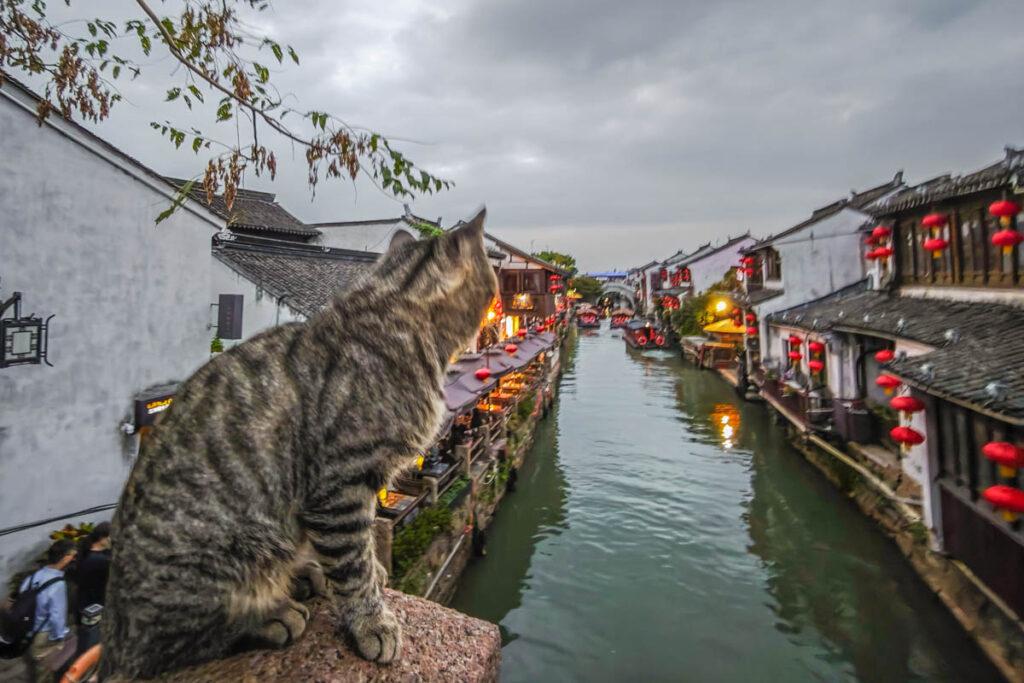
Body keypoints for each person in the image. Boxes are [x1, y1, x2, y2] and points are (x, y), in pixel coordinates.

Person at [20, 539, 77, 683]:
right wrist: (60, 637)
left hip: (27, 630)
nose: (74, 559)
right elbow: (56, 616)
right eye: (72, 555)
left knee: (32, 667)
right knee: (45, 672)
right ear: (65, 558)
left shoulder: (33, 577)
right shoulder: (57, 584)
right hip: (43, 635)